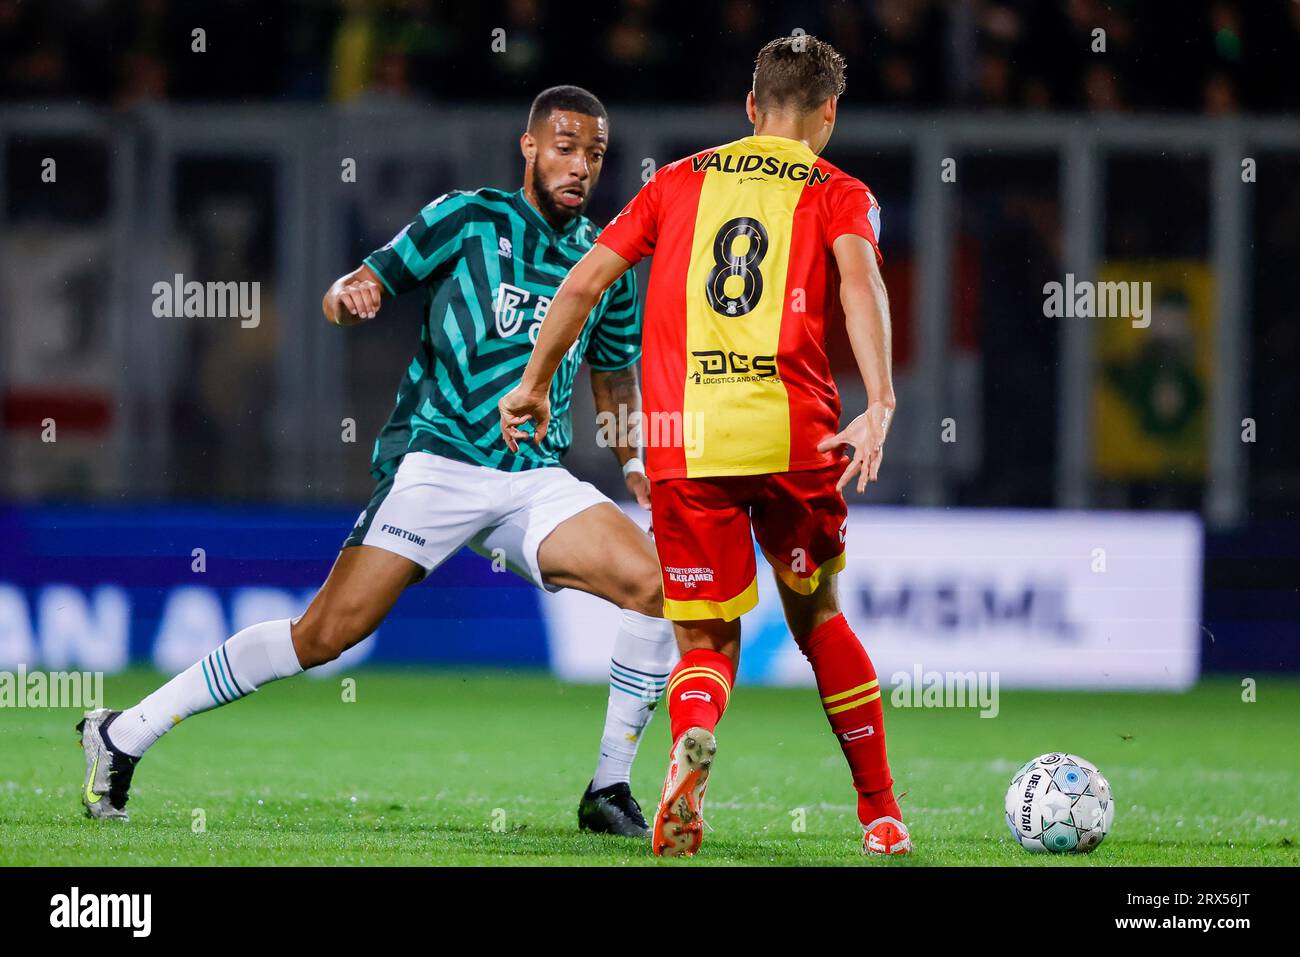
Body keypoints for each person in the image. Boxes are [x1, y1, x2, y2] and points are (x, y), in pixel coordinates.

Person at [77, 86, 677, 839]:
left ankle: (608, 787)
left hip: (533, 477)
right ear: (529, 148)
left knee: (654, 583)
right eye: (564, 146)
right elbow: (351, 287)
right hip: (438, 463)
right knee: (324, 635)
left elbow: (614, 373)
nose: (580, 165)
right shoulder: (466, 218)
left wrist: (633, 461)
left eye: (594, 152)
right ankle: (125, 731)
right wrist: (348, 294)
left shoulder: (608, 255)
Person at [499, 39, 909, 857]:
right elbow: (861, 280)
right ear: (828, 115)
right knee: (818, 616)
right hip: (796, 435)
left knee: (706, 640)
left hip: (686, 442)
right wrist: (882, 399)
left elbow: (584, 281)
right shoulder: (838, 189)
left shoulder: (676, 180)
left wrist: (537, 381)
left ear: (750, 109)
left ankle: (688, 755)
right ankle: (881, 813)